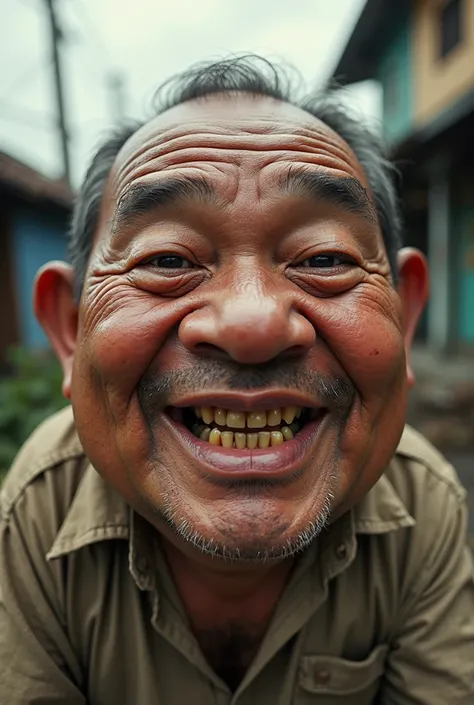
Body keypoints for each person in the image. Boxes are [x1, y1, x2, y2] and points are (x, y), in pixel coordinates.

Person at [0, 56, 473, 705]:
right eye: (167, 259)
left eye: (324, 258)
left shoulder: (423, 507)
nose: (253, 320)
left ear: (407, 311)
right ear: (71, 331)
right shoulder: (35, 514)